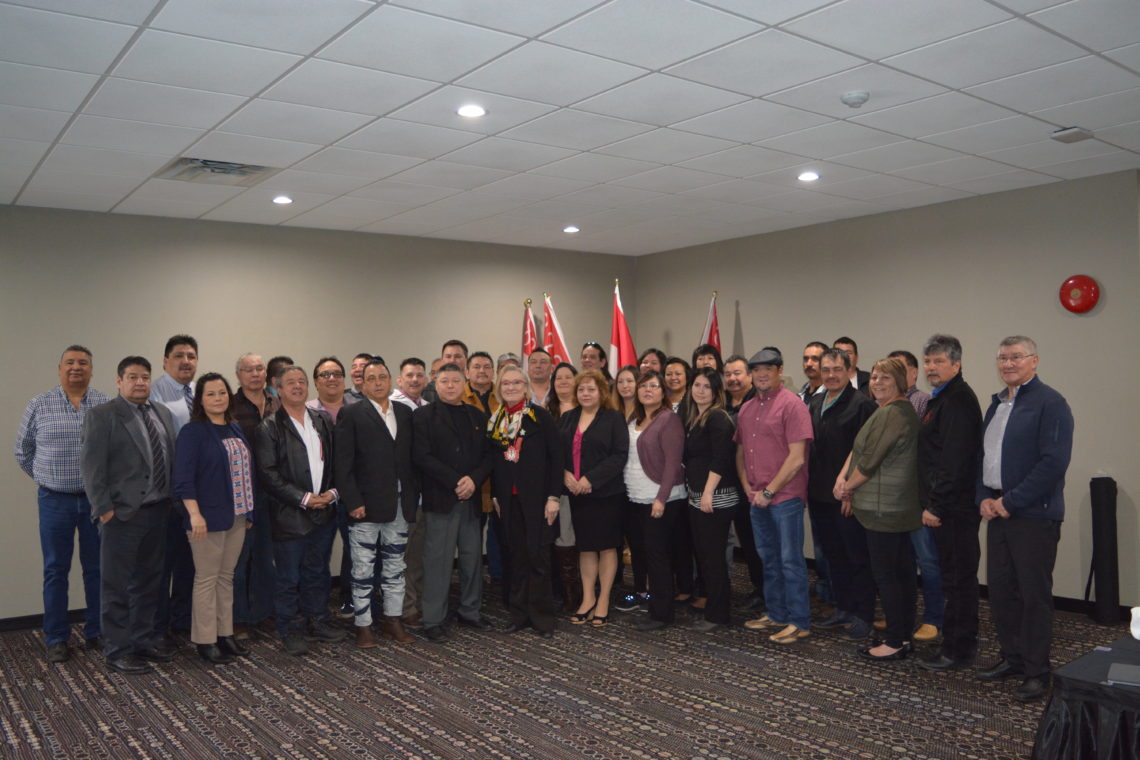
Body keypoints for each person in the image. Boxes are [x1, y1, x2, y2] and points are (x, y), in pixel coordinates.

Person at [975, 336, 1073, 702]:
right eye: (1002, 358)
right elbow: (984, 458)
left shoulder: (1051, 403)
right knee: (1001, 592)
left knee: (1033, 596)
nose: (1008, 363)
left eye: (1016, 357)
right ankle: (1013, 658)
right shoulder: (997, 404)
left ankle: (1036, 671)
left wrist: (1010, 502)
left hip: (1033, 516)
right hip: (998, 512)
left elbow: (1053, 463)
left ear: (1034, 361)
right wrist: (984, 498)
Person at [80, 356, 178, 675]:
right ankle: (118, 649)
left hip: (158, 512)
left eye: (145, 377)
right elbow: (93, 469)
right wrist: (104, 511)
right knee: (116, 586)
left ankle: (142, 640)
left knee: (149, 583)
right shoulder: (102, 416)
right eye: (133, 377)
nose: (140, 382)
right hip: (121, 516)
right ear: (119, 381)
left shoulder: (162, 413)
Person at [15, 345, 109, 662]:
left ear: (91, 370)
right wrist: (47, 478)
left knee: (97, 569)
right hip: (54, 501)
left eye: (83, 362)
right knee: (56, 570)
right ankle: (56, 637)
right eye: (69, 362)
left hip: (95, 501)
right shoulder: (39, 404)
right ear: (59, 369)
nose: (76, 367)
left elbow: (115, 451)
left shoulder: (104, 404)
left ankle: (97, 631)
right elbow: (22, 451)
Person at [834, 358, 921, 661]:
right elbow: (861, 452)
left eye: (885, 377)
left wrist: (848, 487)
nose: (877, 382)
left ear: (900, 381)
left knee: (888, 576)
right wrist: (845, 478)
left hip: (885, 509)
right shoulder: (891, 411)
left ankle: (895, 641)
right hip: (892, 508)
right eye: (873, 377)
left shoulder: (892, 413)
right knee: (901, 573)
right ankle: (902, 636)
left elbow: (870, 461)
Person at [254, 366, 342, 657]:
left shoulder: (322, 419)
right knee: (288, 578)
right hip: (289, 515)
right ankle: (290, 630)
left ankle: (317, 620)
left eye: (302, 382)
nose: (297, 386)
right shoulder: (269, 427)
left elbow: (336, 462)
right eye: (290, 382)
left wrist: (333, 493)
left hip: (324, 511)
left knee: (318, 572)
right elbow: (268, 474)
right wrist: (303, 498)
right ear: (278, 389)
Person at [335, 359, 418, 648]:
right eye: (372, 378)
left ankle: (392, 621)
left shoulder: (405, 413)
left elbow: (410, 459)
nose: (378, 382)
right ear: (363, 384)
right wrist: (352, 501)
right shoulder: (351, 413)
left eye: (383, 377)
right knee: (362, 570)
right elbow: (342, 464)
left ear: (391, 380)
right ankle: (364, 626)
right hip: (365, 507)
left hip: (399, 504)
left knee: (395, 567)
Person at [173, 373, 255, 665]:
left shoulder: (234, 427)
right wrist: (194, 514)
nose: (218, 398)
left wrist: (249, 511)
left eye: (222, 393)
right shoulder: (193, 432)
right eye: (210, 394)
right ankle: (206, 640)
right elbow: (183, 479)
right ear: (201, 400)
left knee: (226, 577)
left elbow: (246, 472)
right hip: (206, 519)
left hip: (238, 515)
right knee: (207, 579)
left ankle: (225, 634)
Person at [735, 348, 813, 645]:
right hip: (757, 498)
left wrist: (769, 491)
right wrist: (747, 486)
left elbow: (797, 458)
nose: (761, 374)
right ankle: (777, 613)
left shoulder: (792, 406)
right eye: (756, 370)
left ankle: (799, 621)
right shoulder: (747, 409)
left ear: (780, 371)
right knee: (768, 559)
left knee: (790, 561)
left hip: (785, 498)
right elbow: (740, 452)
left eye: (768, 369)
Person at [915, 335, 983, 673]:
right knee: (953, 577)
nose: (931, 367)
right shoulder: (941, 398)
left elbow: (953, 461)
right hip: (947, 505)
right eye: (928, 361)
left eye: (938, 361)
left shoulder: (958, 400)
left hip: (954, 509)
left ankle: (958, 650)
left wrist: (936, 505)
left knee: (958, 581)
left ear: (956, 364)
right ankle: (956, 642)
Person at [413, 363, 494, 643]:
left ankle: (470, 611)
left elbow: (489, 456)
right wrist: (456, 481)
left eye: (456, 381)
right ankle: (433, 619)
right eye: (444, 381)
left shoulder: (477, 415)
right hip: (441, 499)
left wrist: (474, 480)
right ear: (435, 383)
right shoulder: (423, 416)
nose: (450, 386)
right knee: (438, 562)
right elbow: (421, 456)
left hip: (471, 499)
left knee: (472, 560)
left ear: (465, 383)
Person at [807, 349, 877, 640]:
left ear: (849, 370)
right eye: (826, 370)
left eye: (837, 369)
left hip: (848, 496)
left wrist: (851, 492)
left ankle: (864, 614)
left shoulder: (862, 405)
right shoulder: (815, 402)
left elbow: (866, 453)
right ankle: (844, 607)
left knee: (857, 557)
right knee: (833, 556)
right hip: (819, 494)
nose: (831, 375)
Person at [489, 365, 562, 638]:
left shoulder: (539, 416)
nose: (511, 387)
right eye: (505, 383)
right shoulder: (496, 419)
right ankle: (519, 615)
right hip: (508, 501)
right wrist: (495, 494)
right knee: (516, 558)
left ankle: (542, 618)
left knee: (538, 558)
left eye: (516, 382)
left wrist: (553, 496)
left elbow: (556, 458)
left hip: (539, 499)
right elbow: (494, 462)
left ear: (525, 386)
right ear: (499, 388)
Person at [558, 369, 628, 628]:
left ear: (601, 392)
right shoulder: (567, 418)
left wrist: (590, 479)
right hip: (576, 494)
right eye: (581, 389)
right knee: (586, 547)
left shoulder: (613, 418)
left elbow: (619, 455)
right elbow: (557, 452)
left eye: (591, 389)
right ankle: (588, 598)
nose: (585, 393)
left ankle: (604, 600)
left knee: (606, 547)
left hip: (606, 494)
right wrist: (564, 474)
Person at [886, 348, 942, 643]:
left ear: (913, 373)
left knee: (927, 561)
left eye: (901, 369)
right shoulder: (882, 404)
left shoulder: (922, 401)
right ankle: (902, 615)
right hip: (892, 499)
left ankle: (934, 618)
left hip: (917, 498)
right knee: (899, 562)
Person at [625, 371, 686, 633]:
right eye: (643, 386)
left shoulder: (668, 419)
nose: (648, 390)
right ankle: (655, 607)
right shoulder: (634, 419)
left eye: (654, 386)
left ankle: (662, 614)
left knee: (658, 556)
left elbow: (673, 463)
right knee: (647, 555)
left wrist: (661, 499)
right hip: (636, 496)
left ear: (663, 392)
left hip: (661, 499)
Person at [682, 368, 740, 632]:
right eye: (697, 385)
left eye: (707, 386)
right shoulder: (696, 418)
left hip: (715, 498)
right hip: (698, 497)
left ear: (717, 391)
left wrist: (707, 493)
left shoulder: (717, 417)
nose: (700, 390)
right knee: (705, 556)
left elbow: (721, 458)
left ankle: (719, 615)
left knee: (714, 558)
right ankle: (714, 608)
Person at [150, 335, 198, 646]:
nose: (186, 361)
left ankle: (182, 622)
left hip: (196, 494)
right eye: (179, 355)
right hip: (166, 494)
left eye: (191, 356)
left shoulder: (200, 392)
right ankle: (158, 629)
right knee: (161, 565)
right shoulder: (155, 392)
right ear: (166, 361)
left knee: (188, 563)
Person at [230, 352, 279, 640]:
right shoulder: (231, 406)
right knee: (239, 561)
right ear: (239, 375)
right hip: (242, 495)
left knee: (266, 558)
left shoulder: (277, 403)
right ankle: (238, 618)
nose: (255, 373)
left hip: (274, 493)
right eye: (249, 369)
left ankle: (263, 612)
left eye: (260, 368)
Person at [721, 354, 764, 610]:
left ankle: (765, 591)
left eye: (737, 373)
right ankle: (754, 586)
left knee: (756, 540)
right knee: (742, 540)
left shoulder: (757, 402)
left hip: (753, 482)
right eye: (728, 374)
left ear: (749, 376)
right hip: (727, 482)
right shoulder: (721, 404)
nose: (732, 379)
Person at [390, 357, 429, 629]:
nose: (414, 379)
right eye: (409, 375)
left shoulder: (427, 407)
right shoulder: (392, 408)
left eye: (419, 375)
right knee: (400, 556)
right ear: (399, 380)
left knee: (417, 554)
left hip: (425, 495)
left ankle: (415, 604)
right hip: (400, 495)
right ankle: (403, 608)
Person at [609, 365, 649, 614]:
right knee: (620, 541)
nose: (625, 386)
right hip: (615, 487)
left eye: (630, 381)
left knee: (641, 543)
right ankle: (627, 587)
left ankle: (645, 591)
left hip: (640, 487)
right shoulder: (611, 413)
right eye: (621, 381)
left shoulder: (647, 414)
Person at [544, 361, 579, 611]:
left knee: (585, 542)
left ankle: (585, 591)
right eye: (558, 378)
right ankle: (566, 595)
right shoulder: (546, 413)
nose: (563, 381)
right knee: (562, 540)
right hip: (558, 486)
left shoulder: (588, 410)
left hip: (587, 486)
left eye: (568, 377)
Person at [307, 356, 351, 422]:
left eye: (337, 374)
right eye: (325, 375)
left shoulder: (358, 409)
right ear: (316, 382)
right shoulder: (306, 410)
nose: (332, 379)